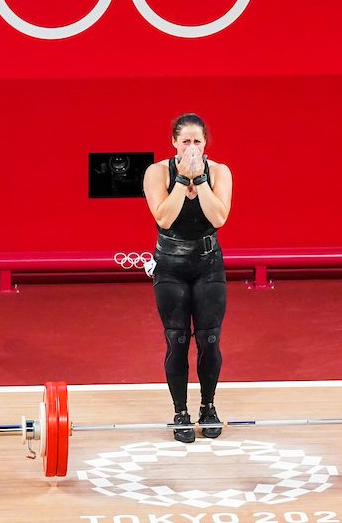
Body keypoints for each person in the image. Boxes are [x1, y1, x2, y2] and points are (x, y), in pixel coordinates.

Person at [143, 113, 233, 443]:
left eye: (197, 142)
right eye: (186, 142)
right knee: (177, 340)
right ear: (174, 144)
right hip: (171, 265)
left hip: (208, 264)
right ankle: (180, 412)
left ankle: (208, 408)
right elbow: (164, 219)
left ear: (206, 144)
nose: (192, 148)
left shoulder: (220, 172)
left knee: (209, 340)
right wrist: (182, 180)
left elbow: (218, 216)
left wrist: (202, 181)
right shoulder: (157, 172)